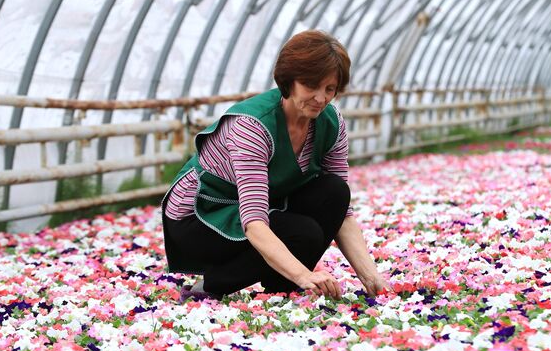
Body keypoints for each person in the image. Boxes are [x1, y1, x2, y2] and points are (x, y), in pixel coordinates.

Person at [161, 30, 389, 301]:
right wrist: (305, 275)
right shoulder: (252, 127)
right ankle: (215, 283)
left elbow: (343, 212)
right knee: (303, 234)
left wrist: (369, 274)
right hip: (200, 216)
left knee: (334, 192)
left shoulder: (331, 122)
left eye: (330, 89)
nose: (320, 98)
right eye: (311, 86)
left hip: (254, 209)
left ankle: (280, 286)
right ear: (288, 81)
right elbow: (254, 221)